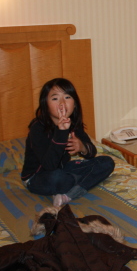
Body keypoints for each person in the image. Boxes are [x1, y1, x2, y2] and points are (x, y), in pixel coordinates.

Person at [21, 78, 115, 207]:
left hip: (64, 170)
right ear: (45, 105)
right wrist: (61, 132)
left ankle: (67, 195)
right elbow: (49, 165)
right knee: (58, 177)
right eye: (55, 98)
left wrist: (82, 147)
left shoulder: (73, 124)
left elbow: (91, 153)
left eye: (67, 97)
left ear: (74, 104)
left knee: (107, 162)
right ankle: (75, 183)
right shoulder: (38, 128)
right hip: (37, 177)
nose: (62, 103)